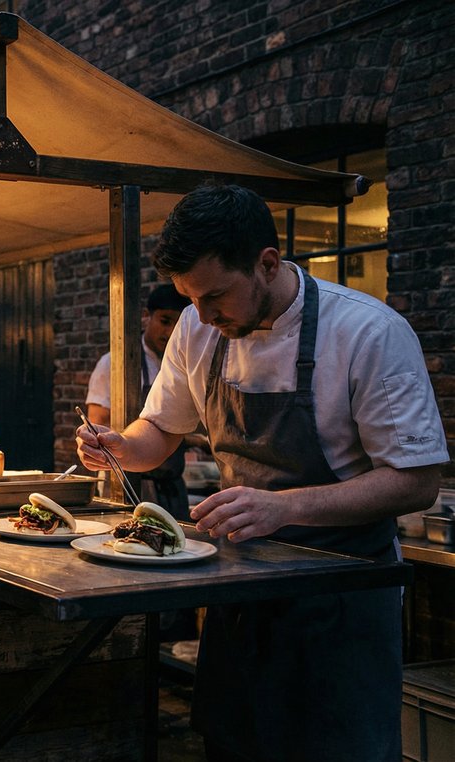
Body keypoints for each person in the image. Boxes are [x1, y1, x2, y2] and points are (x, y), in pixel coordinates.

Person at [76, 184, 447, 761]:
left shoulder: (369, 333)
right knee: (234, 744)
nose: (201, 316)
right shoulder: (201, 328)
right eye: (189, 299)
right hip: (241, 587)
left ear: (267, 263)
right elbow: (159, 435)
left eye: (216, 295)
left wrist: (286, 506)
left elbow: (416, 482)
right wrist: (120, 446)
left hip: (341, 594)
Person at [84, 283, 194, 519]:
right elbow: (98, 425)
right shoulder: (113, 363)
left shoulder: (184, 363)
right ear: (146, 316)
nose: (170, 332)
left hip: (172, 484)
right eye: (165, 321)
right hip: (129, 483)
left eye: (178, 324)